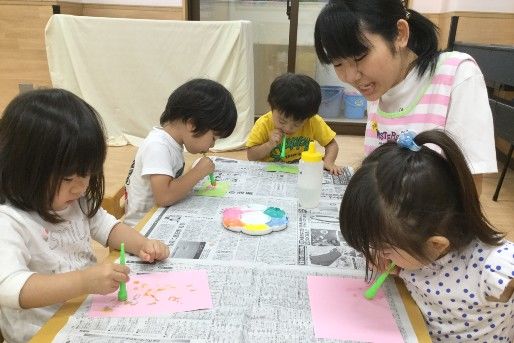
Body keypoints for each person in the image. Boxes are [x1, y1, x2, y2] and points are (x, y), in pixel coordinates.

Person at [0, 89, 170, 343]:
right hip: (43, 332)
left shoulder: (76, 200)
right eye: (68, 178)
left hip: (86, 313)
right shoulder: (9, 221)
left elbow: (108, 228)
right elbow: (11, 288)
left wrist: (141, 244)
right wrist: (83, 281)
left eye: (88, 175)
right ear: (25, 168)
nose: (80, 188)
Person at [339, 129, 513, 342]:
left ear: (436, 245)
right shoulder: (415, 253)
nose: (378, 256)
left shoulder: (492, 266)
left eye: (385, 250)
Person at [314, 0, 496, 191]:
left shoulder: (456, 75)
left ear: (400, 34)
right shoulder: (379, 89)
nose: (350, 77)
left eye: (359, 57)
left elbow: (470, 189)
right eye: (338, 64)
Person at [124, 79, 237, 227]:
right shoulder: (158, 146)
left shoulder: (171, 143)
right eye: (213, 138)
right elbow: (164, 196)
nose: (212, 145)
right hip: (141, 228)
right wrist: (198, 172)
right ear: (192, 124)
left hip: (160, 216)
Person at [246, 73, 342, 175]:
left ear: (308, 117)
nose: (288, 128)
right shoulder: (264, 124)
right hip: (270, 173)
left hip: (301, 172)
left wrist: (329, 162)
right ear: (271, 106)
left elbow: (331, 144)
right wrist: (269, 145)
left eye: (297, 124)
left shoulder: (313, 122)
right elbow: (251, 156)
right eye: (282, 121)